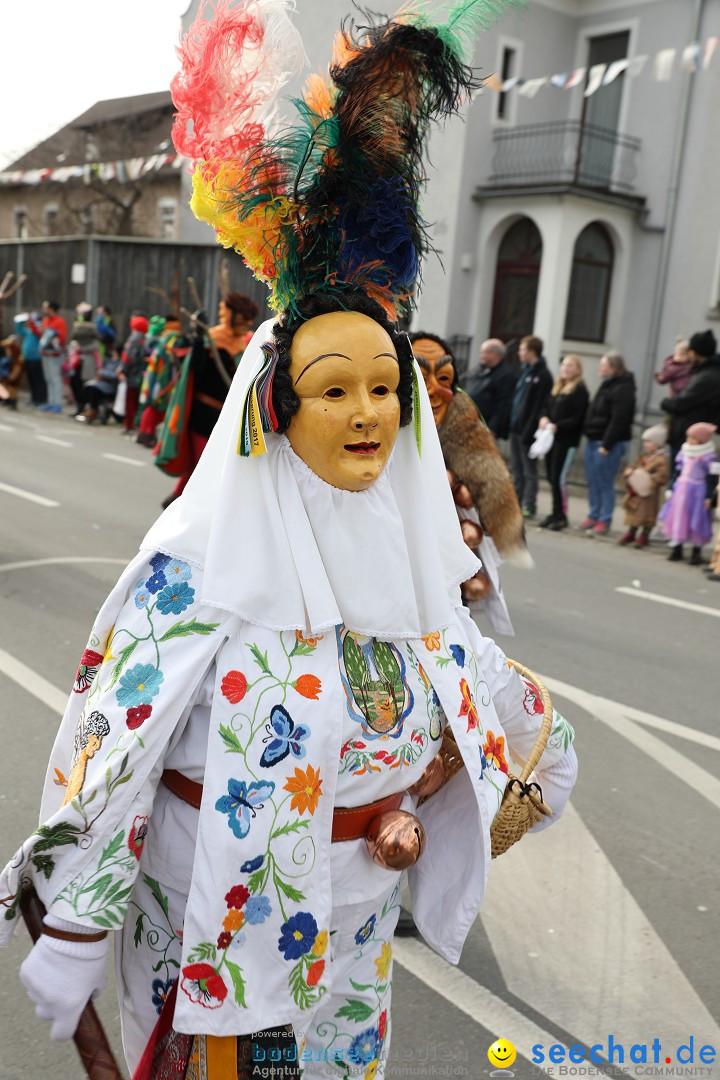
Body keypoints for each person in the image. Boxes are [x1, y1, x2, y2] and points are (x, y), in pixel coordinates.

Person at [3, 7, 578, 1079]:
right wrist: (75, 919)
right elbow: (106, 752)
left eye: (381, 390)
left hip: (356, 931)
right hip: (208, 927)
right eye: (333, 390)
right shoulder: (190, 576)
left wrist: (531, 754)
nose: (364, 414)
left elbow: (474, 676)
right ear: (276, 410)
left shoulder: (414, 560)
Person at [410, 332, 528, 636]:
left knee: (451, 616)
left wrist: (502, 522)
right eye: (422, 378)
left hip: (450, 533)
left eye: (444, 378)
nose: (434, 391)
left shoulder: (461, 413)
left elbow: (488, 471)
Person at [157, 293, 259, 507]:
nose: (245, 325)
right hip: (202, 414)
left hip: (227, 417)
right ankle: (176, 502)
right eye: (242, 319)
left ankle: (178, 503)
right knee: (203, 465)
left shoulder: (245, 346)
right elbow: (195, 367)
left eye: (248, 321)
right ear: (230, 315)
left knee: (214, 466)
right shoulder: (210, 339)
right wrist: (197, 337)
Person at [580, 352, 636, 536]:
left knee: (605, 482)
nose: (599, 368)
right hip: (594, 439)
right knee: (593, 481)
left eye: (603, 365)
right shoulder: (607, 384)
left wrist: (607, 444)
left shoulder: (623, 388)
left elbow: (619, 419)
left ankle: (605, 519)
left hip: (607, 443)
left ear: (613, 367)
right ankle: (593, 514)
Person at [538, 355, 589, 530]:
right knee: (551, 477)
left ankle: (561, 516)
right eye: (564, 365)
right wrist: (544, 418)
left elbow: (577, 418)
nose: (566, 368)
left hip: (566, 440)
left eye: (570, 365)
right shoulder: (558, 387)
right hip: (552, 438)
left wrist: (558, 426)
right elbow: (546, 407)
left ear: (577, 369)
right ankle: (554, 512)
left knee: (558, 478)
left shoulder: (580, 390)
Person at [659, 422, 717, 564]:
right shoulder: (684, 452)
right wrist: (671, 488)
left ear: (702, 440)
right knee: (679, 517)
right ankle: (677, 547)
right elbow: (676, 472)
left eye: (693, 438)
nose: (689, 441)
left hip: (698, 491)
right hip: (681, 489)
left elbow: (712, 478)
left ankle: (696, 552)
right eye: (688, 437)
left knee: (697, 519)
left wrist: (709, 496)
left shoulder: (709, 457)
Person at [661, 330, 720, 467]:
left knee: (683, 482)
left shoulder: (707, 377)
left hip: (692, 441)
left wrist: (666, 403)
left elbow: (682, 402)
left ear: (695, 352)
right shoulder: (703, 371)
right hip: (687, 436)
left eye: (690, 350)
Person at [509, 335, 553, 519]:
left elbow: (538, 405)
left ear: (531, 351)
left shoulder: (542, 375)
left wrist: (529, 429)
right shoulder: (524, 371)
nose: (519, 353)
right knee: (516, 468)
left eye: (522, 349)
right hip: (516, 428)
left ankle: (530, 505)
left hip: (528, 431)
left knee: (529, 470)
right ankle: (516, 502)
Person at [136, 317, 189, 448]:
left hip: (155, 377)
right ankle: (147, 434)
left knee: (154, 406)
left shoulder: (161, 339)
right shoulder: (171, 340)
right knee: (155, 406)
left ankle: (145, 434)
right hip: (161, 378)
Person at [617, 424, 670, 549]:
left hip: (649, 493)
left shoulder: (661, 460)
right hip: (636, 491)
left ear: (657, 443)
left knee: (647, 514)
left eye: (649, 442)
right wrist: (630, 471)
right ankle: (631, 531)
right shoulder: (644, 456)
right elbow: (634, 465)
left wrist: (647, 480)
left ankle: (645, 535)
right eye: (645, 442)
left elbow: (662, 476)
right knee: (635, 511)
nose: (646, 444)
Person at [465, 338, 517, 440]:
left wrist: (492, 428)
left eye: (484, 352)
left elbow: (503, 404)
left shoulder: (505, 374)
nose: (481, 355)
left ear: (494, 354)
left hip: (485, 425)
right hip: (469, 421)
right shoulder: (480, 369)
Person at [119, 314, 150, 434]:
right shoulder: (147, 339)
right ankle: (139, 425)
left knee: (130, 401)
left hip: (133, 375)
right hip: (144, 375)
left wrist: (123, 370)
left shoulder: (133, 339)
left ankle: (129, 425)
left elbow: (129, 358)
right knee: (140, 402)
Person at [68, 302, 100, 415]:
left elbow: (96, 344)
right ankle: (79, 406)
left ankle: (85, 408)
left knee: (84, 385)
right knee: (74, 383)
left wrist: (83, 348)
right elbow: (72, 340)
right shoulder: (76, 326)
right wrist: (74, 346)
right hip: (76, 360)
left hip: (87, 361)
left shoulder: (92, 329)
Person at [13, 313, 46, 406]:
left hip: (37, 358)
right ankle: (34, 398)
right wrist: (20, 321)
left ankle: (40, 399)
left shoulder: (38, 330)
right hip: (28, 358)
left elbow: (38, 331)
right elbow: (19, 330)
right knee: (31, 380)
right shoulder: (29, 331)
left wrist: (32, 322)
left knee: (38, 380)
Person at [0, 336, 24, 410]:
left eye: (9, 350)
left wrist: (10, 377)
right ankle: (8, 400)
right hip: (7, 376)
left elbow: (16, 372)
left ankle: (13, 402)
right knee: (6, 387)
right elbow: (3, 343)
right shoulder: (8, 360)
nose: (7, 352)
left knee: (12, 388)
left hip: (12, 377)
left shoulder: (16, 360)